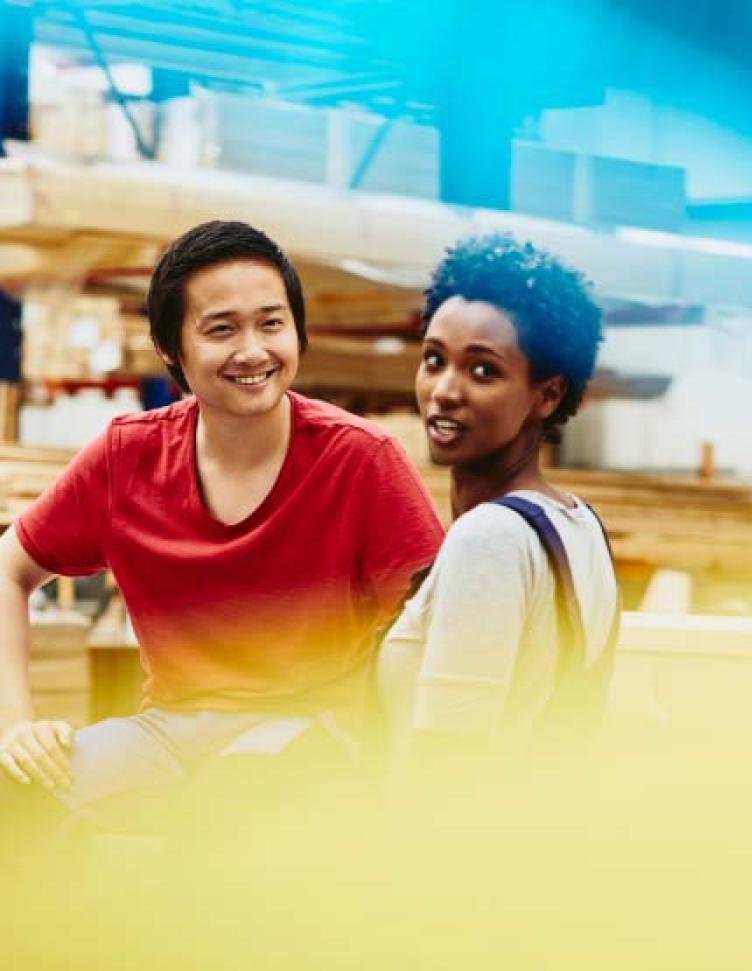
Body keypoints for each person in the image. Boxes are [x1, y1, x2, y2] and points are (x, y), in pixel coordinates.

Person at [0, 220, 444, 836]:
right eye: (221, 329)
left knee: (221, 817)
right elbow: (10, 567)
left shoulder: (360, 459)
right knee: (15, 800)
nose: (254, 350)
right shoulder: (127, 457)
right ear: (169, 347)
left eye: (271, 323)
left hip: (312, 733)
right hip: (166, 733)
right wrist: (15, 727)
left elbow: (435, 630)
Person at [380, 233, 619, 761]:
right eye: (434, 359)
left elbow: (448, 764)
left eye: (483, 369)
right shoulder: (580, 523)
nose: (444, 389)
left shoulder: (489, 538)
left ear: (548, 394)